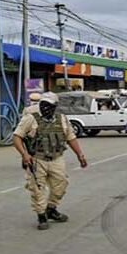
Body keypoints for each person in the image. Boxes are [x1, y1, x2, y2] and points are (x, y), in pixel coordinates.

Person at [12, 92, 87, 230]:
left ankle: (51, 209)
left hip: (56, 158)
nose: (46, 108)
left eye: (49, 105)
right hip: (37, 159)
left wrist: (80, 155)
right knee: (38, 188)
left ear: (55, 106)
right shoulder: (30, 118)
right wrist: (24, 154)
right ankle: (41, 216)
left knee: (61, 185)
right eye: (44, 105)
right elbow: (17, 137)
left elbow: (71, 137)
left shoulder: (62, 119)